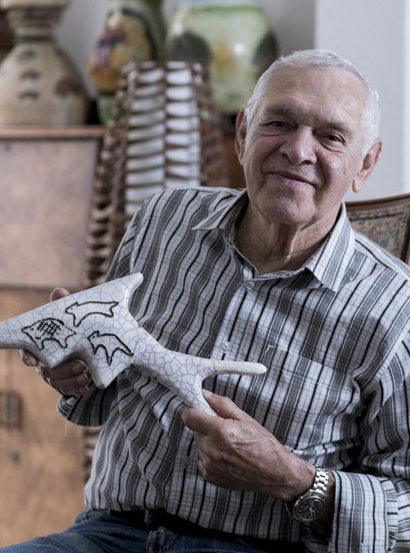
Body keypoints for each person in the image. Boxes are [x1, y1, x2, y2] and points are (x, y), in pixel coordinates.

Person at [4, 48, 410, 553]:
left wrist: (295, 480)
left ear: (364, 164)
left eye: (330, 136)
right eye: (279, 122)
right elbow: (97, 400)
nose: (298, 150)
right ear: (243, 133)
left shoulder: (397, 308)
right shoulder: (163, 219)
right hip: (108, 532)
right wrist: (73, 370)